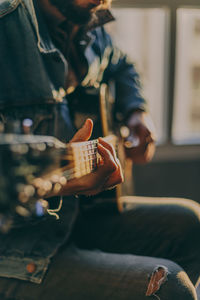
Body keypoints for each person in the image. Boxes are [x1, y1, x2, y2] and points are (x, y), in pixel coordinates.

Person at [0, 0, 200, 299]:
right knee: (170, 288)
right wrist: (57, 186)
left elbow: (121, 65)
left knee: (190, 223)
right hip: (15, 252)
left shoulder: (84, 21)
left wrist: (136, 112)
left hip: (74, 218)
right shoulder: (6, 28)